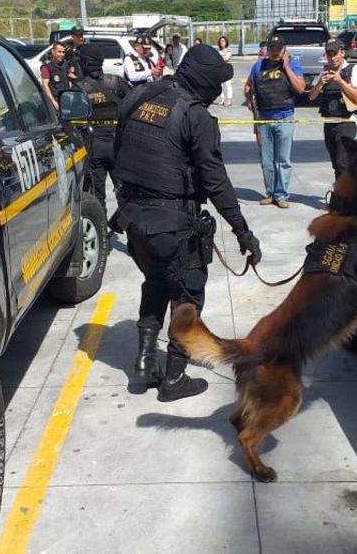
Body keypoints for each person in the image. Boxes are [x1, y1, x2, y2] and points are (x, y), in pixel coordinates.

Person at [111, 44, 262, 401]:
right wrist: (243, 232)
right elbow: (215, 181)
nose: (214, 92)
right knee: (187, 299)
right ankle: (174, 379)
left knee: (154, 283)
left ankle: (145, 364)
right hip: (174, 225)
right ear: (202, 81)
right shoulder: (196, 116)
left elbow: (117, 153)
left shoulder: (139, 96)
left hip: (135, 221)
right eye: (214, 84)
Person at [244, 33, 305, 208]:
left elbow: (300, 88)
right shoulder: (258, 66)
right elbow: (248, 86)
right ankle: (271, 193)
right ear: (267, 49)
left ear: (284, 50)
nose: (275, 52)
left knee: (283, 160)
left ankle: (281, 195)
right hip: (264, 119)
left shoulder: (292, 64)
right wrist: (249, 100)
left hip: (284, 118)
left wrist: (286, 67)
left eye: (278, 49)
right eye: (272, 48)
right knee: (267, 161)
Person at [74, 43, 132, 214]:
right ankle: (132, 235)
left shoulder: (79, 88)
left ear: (84, 63)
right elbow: (133, 106)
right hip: (118, 145)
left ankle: (102, 235)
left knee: (98, 196)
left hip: (94, 147)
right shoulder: (117, 82)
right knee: (126, 194)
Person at [308, 38, 357, 182]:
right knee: (336, 164)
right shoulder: (325, 71)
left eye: (335, 53)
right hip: (329, 124)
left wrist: (340, 81)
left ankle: (344, 197)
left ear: (342, 53)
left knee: (343, 163)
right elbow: (311, 97)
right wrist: (320, 83)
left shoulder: (353, 70)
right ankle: (340, 195)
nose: (332, 57)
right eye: (329, 54)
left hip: (346, 123)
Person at [40, 41, 70, 111]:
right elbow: (45, 85)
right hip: (54, 100)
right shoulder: (47, 67)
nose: (62, 54)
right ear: (53, 52)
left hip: (66, 99)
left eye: (63, 52)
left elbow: (69, 81)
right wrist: (53, 102)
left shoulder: (65, 64)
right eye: (59, 52)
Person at [216, 36, 234, 106]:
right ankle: (222, 99)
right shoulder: (218, 50)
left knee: (228, 85)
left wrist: (219, 57)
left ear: (226, 42)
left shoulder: (229, 49)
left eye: (223, 41)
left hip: (227, 69)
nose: (222, 43)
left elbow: (226, 58)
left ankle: (229, 100)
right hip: (219, 70)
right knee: (220, 85)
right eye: (221, 41)